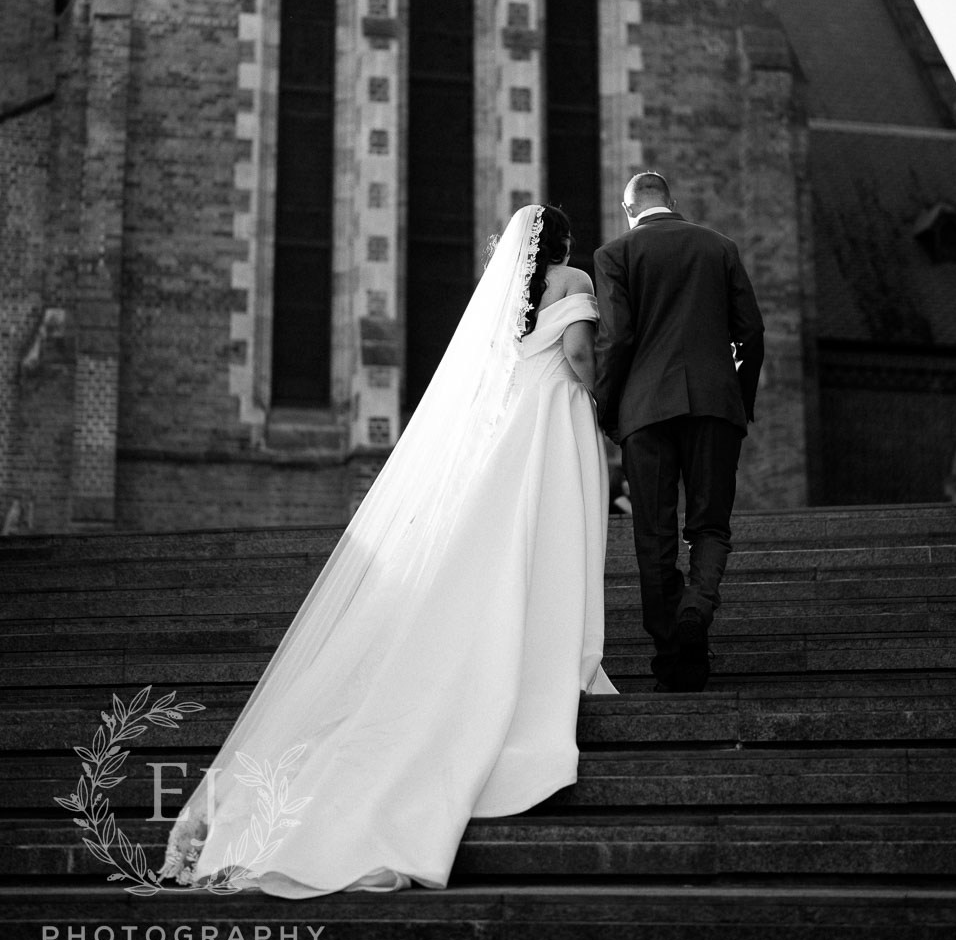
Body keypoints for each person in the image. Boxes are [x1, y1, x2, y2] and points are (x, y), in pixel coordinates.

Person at [159, 204, 616, 898]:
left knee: (502, 546)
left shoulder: (504, 302)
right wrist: (605, 402)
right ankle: (544, 652)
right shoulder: (573, 279)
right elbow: (579, 355)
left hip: (512, 427)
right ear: (560, 245)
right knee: (549, 540)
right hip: (555, 419)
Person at [594, 172, 764, 694]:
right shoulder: (719, 247)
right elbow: (751, 332)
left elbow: (617, 340)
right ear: (673, 201)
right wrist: (739, 399)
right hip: (715, 406)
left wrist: (608, 409)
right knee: (710, 525)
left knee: (654, 535)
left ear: (629, 210)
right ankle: (697, 606)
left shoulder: (614, 255)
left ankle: (673, 657)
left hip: (645, 412)